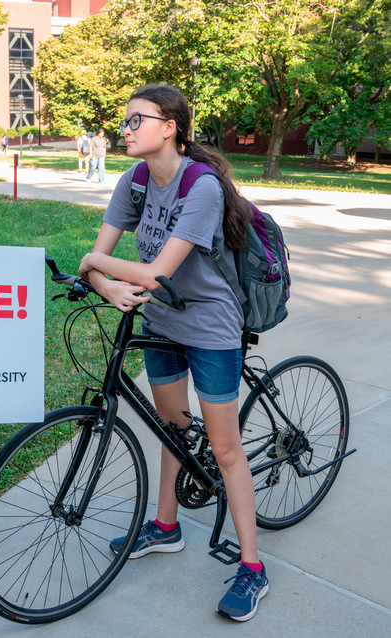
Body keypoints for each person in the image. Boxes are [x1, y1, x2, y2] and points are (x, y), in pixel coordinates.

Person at [78, 84, 268, 622]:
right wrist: (105, 283)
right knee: (172, 430)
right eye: (125, 121)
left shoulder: (201, 185)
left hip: (210, 326)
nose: (127, 129)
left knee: (226, 452)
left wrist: (97, 265)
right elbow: (108, 268)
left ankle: (252, 567)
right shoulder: (134, 181)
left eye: (138, 120)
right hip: (161, 319)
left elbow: (152, 271)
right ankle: (166, 526)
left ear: (172, 127)